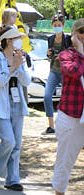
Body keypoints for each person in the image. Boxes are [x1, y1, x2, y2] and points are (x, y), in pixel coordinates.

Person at [0, 25, 31, 191]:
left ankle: (12, 179)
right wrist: (12, 66)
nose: (19, 42)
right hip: (0, 106)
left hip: (18, 104)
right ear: (7, 41)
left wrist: (19, 65)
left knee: (17, 145)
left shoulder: (20, 57)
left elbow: (27, 81)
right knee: (9, 141)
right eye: (15, 39)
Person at [52, 19, 84, 195]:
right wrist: (80, 52)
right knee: (65, 161)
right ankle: (59, 192)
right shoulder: (67, 55)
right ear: (74, 35)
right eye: (82, 32)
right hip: (72, 117)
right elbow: (74, 71)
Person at [43, 14, 71, 134]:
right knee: (47, 96)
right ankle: (51, 126)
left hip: (66, 72)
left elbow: (73, 55)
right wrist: (49, 53)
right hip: (54, 71)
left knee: (67, 98)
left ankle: (67, 125)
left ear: (63, 25)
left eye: (59, 25)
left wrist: (62, 56)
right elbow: (49, 56)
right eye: (55, 26)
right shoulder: (50, 39)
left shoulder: (68, 39)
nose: (57, 27)